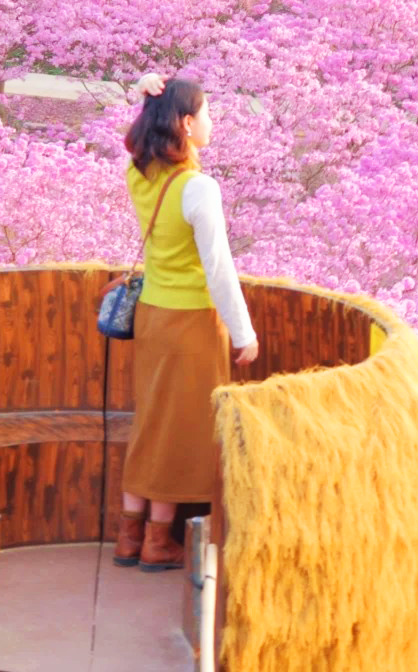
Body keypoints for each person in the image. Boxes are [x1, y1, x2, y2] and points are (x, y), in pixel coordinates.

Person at [112, 73, 258, 573]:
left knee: (153, 419)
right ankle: (156, 541)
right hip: (191, 321)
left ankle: (130, 534)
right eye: (208, 113)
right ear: (188, 123)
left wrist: (144, 88)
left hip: (152, 315)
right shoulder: (198, 188)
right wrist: (244, 333)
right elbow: (218, 269)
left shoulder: (140, 175)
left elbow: (141, 121)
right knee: (177, 429)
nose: (212, 123)